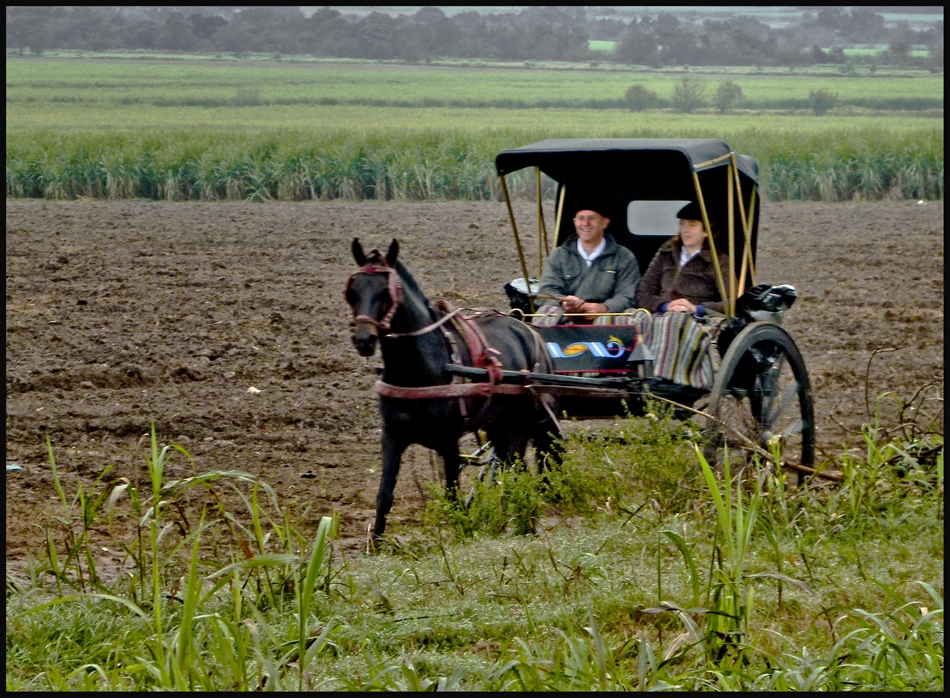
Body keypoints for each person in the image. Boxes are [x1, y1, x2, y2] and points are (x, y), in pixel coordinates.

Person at [535, 199, 641, 322]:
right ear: (574, 222)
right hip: (566, 314)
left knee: (630, 317)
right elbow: (546, 291)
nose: (585, 223)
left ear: (605, 223)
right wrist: (564, 302)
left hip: (607, 316)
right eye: (581, 218)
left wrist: (605, 308)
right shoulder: (559, 255)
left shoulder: (624, 256)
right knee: (544, 314)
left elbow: (627, 295)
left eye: (592, 218)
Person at [636, 201, 729, 316]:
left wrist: (697, 308)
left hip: (697, 321)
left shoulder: (719, 261)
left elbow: (732, 302)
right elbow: (644, 293)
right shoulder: (666, 253)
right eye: (682, 224)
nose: (685, 230)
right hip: (662, 316)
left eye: (692, 224)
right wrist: (665, 306)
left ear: (706, 231)